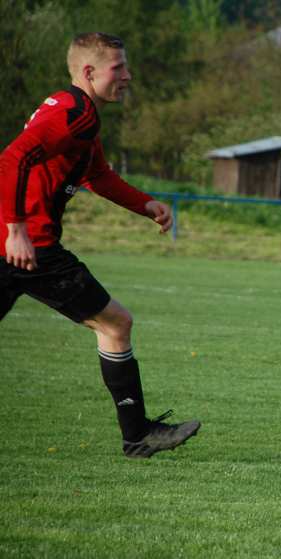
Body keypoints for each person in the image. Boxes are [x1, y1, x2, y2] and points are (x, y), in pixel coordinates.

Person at [0, 32, 201, 458]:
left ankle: (138, 435)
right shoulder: (74, 113)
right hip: (30, 247)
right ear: (89, 72)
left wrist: (145, 205)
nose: (127, 76)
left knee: (115, 324)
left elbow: (98, 176)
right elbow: (12, 159)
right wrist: (15, 228)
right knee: (115, 324)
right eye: (119, 68)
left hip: (20, 245)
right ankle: (138, 436)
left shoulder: (76, 110)